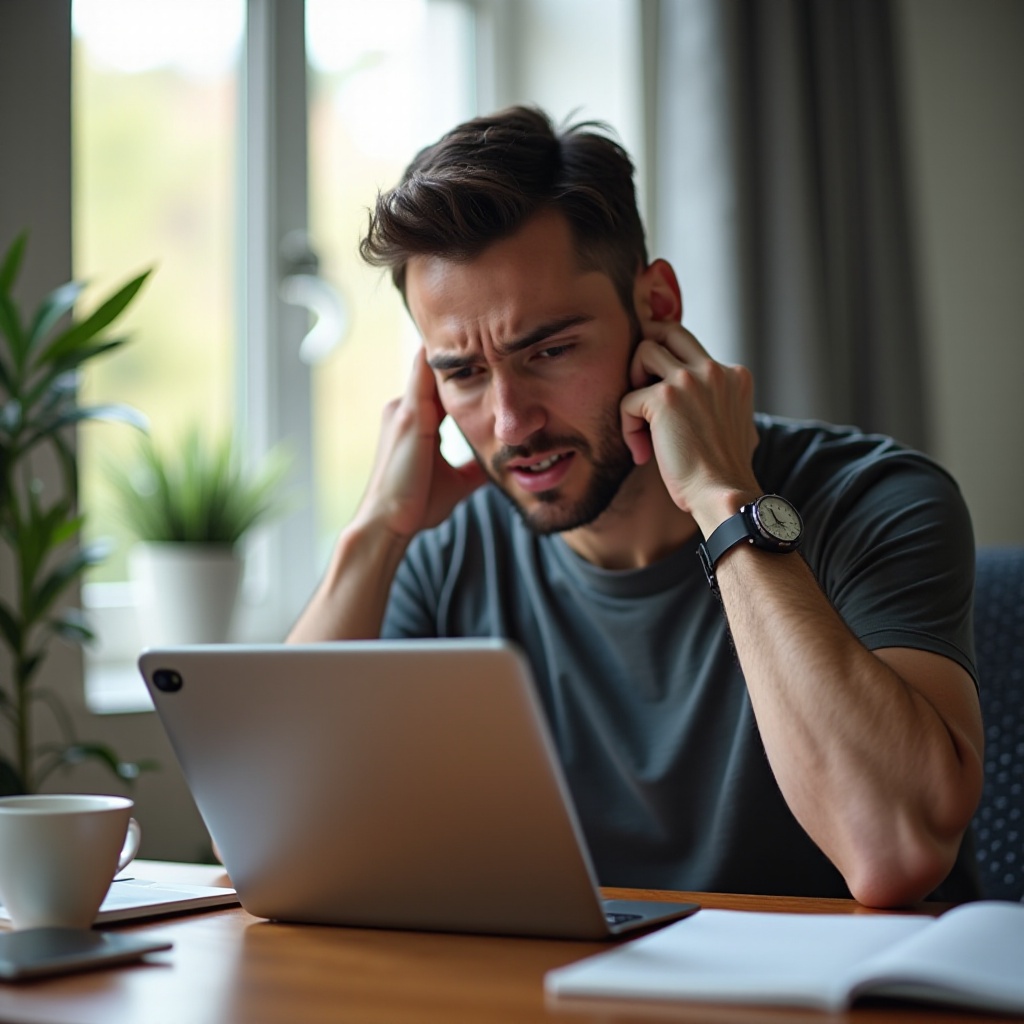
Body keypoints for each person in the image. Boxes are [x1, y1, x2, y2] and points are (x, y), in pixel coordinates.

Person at [289, 106, 983, 908]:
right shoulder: (447, 555)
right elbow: (269, 855)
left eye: (547, 351)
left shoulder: (876, 499)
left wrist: (724, 502)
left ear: (656, 302)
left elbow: (894, 851)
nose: (510, 424)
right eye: (465, 374)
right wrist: (377, 532)